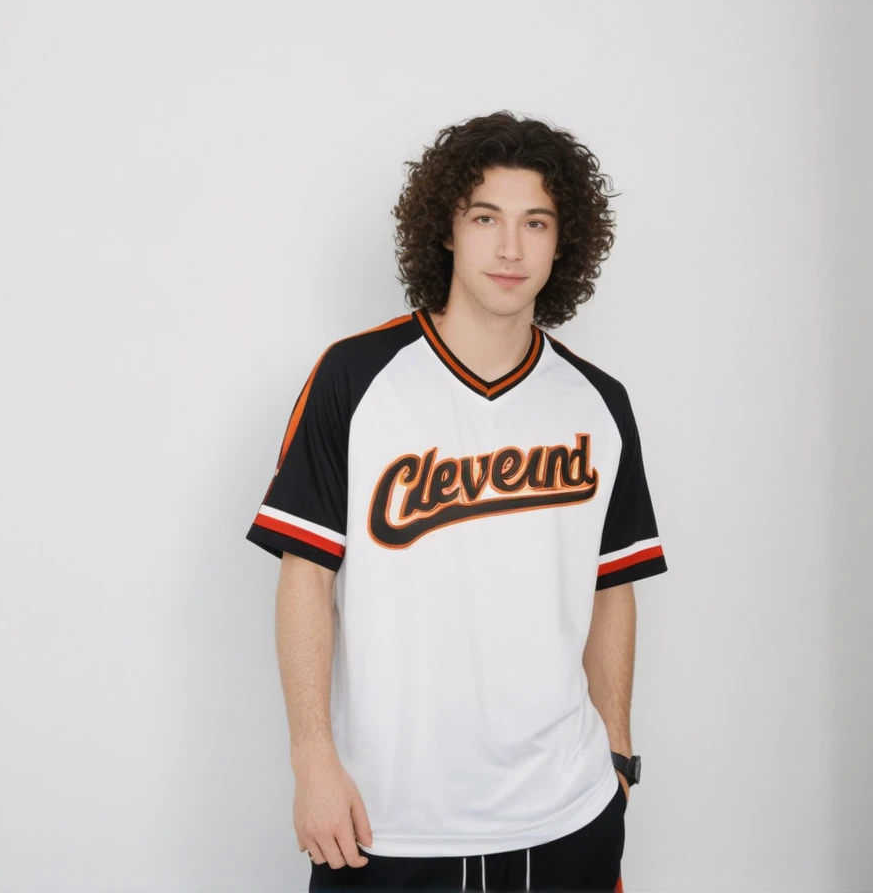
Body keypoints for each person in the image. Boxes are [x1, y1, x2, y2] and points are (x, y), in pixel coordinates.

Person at [245, 110, 668, 893]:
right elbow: (306, 576)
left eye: (535, 222)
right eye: (486, 218)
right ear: (446, 229)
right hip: (387, 821)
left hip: (568, 819)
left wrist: (616, 755)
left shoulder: (598, 403)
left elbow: (615, 585)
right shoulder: (355, 378)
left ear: (561, 240)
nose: (510, 248)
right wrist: (312, 758)